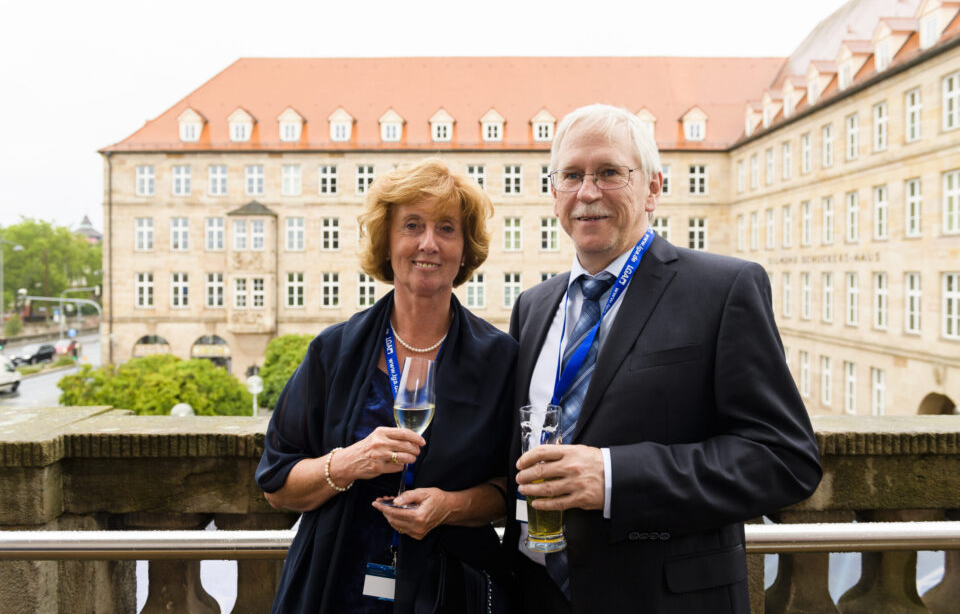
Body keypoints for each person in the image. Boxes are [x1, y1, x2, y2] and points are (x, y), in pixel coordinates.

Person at [506, 104, 822, 613]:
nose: (588, 192)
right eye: (571, 175)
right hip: (537, 593)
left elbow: (783, 459)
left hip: (662, 599)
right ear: (554, 193)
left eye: (609, 172)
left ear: (653, 187)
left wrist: (613, 476)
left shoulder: (723, 289)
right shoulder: (533, 306)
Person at [257, 158, 516, 613]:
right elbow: (276, 484)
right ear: (388, 240)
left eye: (447, 228)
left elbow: (512, 488)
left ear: (464, 247)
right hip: (335, 587)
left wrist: (449, 506)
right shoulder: (333, 351)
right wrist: (349, 462)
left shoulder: (500, 359)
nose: (428, 244)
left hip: (449, 593)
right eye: (412, 225)